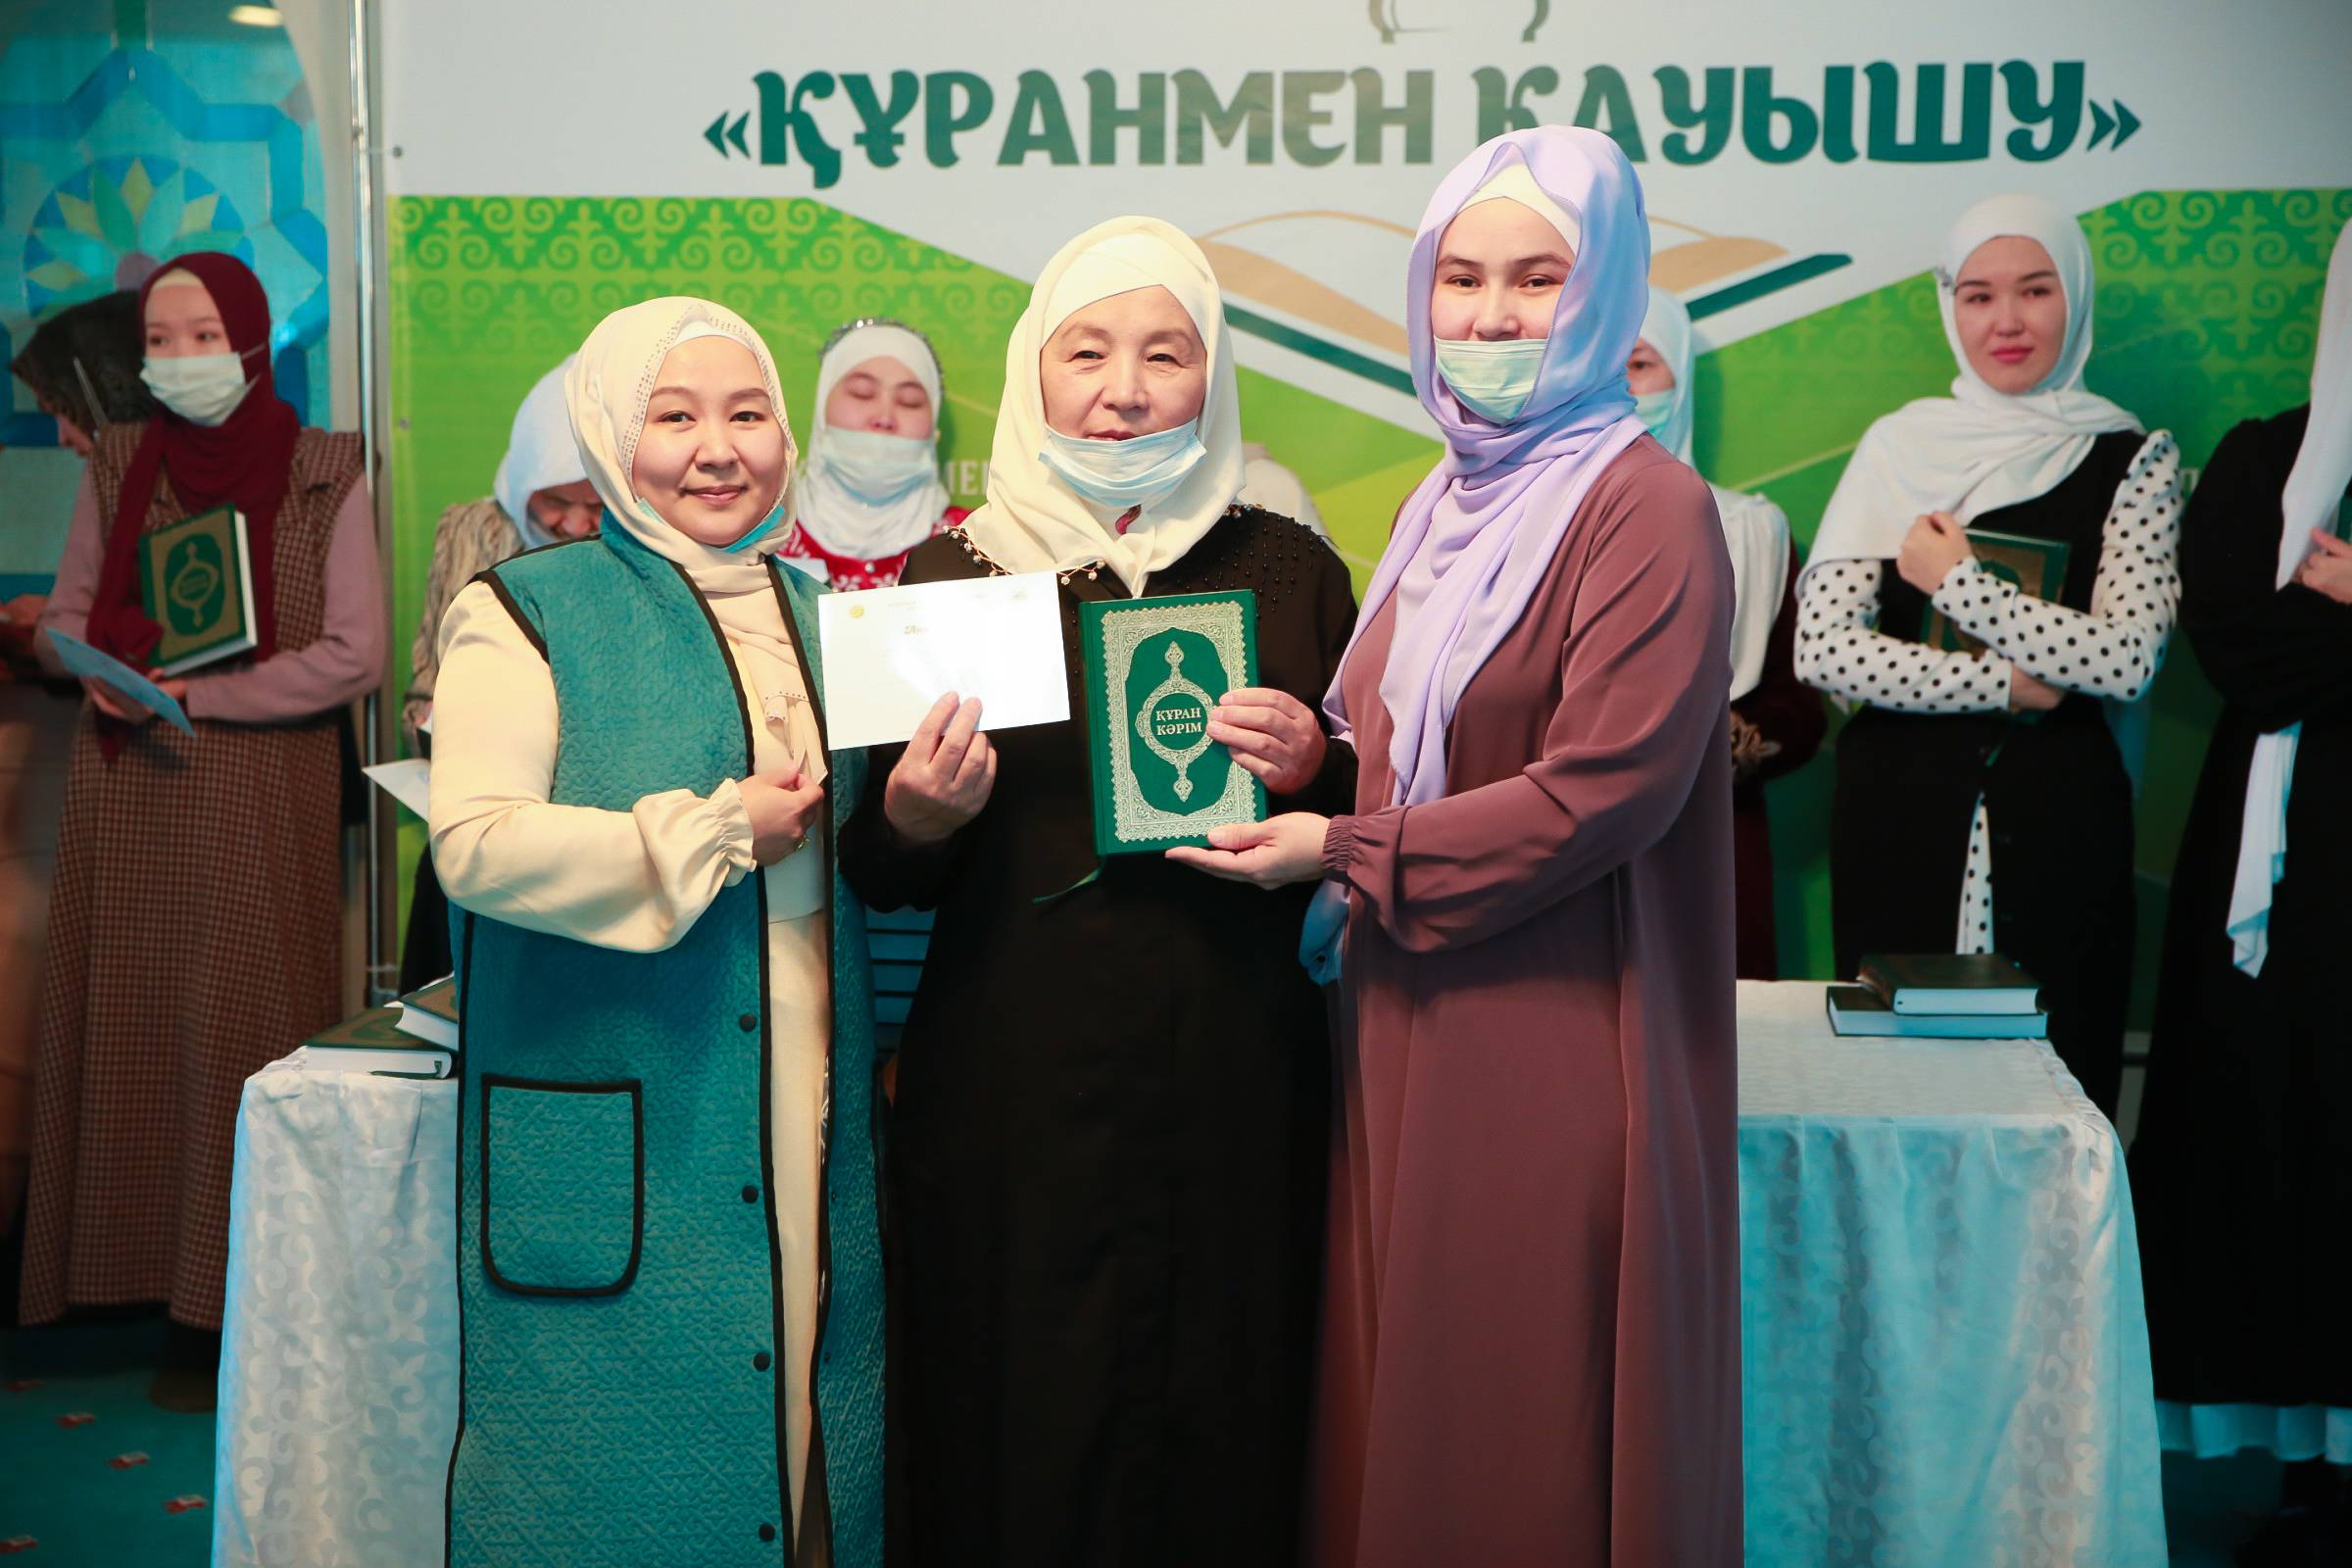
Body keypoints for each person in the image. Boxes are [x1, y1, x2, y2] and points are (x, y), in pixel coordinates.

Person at [1171, 126, 1740, 1565]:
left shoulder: (1647, 506)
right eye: (1461, 278)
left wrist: (1343, 847)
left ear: (1607, 292)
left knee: (1516, 1407)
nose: (1490, 317)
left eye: (1539, 279)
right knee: (1416, 1394)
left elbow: (1606, 787)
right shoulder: (1447, 499)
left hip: (1557, 1023)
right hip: (1403, 1007)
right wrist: (1317, 759)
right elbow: (1415, 745)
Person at [839, 217, 1355, 1568]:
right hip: (1013, 1074)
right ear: (1035, 371)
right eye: (1087, 353)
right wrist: (913, 813)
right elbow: (880, 868)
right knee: (1017, 1397)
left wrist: (1316, 765)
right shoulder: (954, 575)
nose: (1124, 390)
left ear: (1213, 375)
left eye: (1165, 355)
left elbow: (1366, 815)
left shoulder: (1288, 569)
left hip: (1235, 1063)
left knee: (1229, 1387)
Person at [427, 297, 884, 1567]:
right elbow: (473, 842)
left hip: (807, 1081)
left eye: (748, 414)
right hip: (628, 1101)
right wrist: (717, 830)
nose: (717, 449)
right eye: (673, 417)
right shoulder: (523, 610)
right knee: (601, 1467)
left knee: (805, 1405)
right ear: (607, 433)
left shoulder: (827, 618)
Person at [20, 253, 383, 1409]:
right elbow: (65, 619)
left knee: (243, 1035)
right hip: (132, 782)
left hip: (261, 789)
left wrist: (203, 694)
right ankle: (123, 1285)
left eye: (204, 336)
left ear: (254, 342)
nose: (180, 360)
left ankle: (230, 1313)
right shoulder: (120, 461)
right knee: (130, 1029)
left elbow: (356, 653)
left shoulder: (328, 468)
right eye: (161, 341)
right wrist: (92, 667)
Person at [1795, 193, 2181, 1119]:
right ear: (1951, 306)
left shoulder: (2134, 457)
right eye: (1978, 296)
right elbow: (1824, 650)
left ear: (2074, 298)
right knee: (1893, 1106)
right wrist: (2002, 681)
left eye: (2035, 290)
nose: (2006, 321)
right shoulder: (1899, 447)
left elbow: (2127, 658)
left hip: (2063, 828)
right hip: (1898, 817)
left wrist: (1962, 586)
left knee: (2055, 1104)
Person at [2132, 219, 2352, 1552]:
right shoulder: (2268, 459)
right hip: (2279, 866)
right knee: (2284, 1128)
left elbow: (2287, 641)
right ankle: (2310, 1474)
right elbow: (2245, 650)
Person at [2, 291, 158, 1239]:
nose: (64, 438)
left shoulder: (160, 491)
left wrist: (42, 632)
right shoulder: (121, 486)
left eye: (69, 412)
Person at [1630, 283, 1825, 977]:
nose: (1620, 388)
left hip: (1711, 833)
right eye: (1602, 364)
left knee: (1710, 1018)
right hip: (1564, 837)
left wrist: (1735, 741)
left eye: (1641, 364)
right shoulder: (1535, 526)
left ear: (1680, 378)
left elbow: (1799, 704)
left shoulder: (1750, 530)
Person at [395, 355, 596, 988]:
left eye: (596, 505)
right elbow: (424, 683)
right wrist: (433, 724)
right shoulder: (472, 532)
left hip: (584, 842)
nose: (574, 525)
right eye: (555, 501)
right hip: (476, 827)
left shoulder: (642, 553)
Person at [778, 318, 963, 591]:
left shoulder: (976, 545)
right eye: (862, 394)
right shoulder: (762, 543)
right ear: (821, 412)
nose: (884, 418)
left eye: (909, 402)